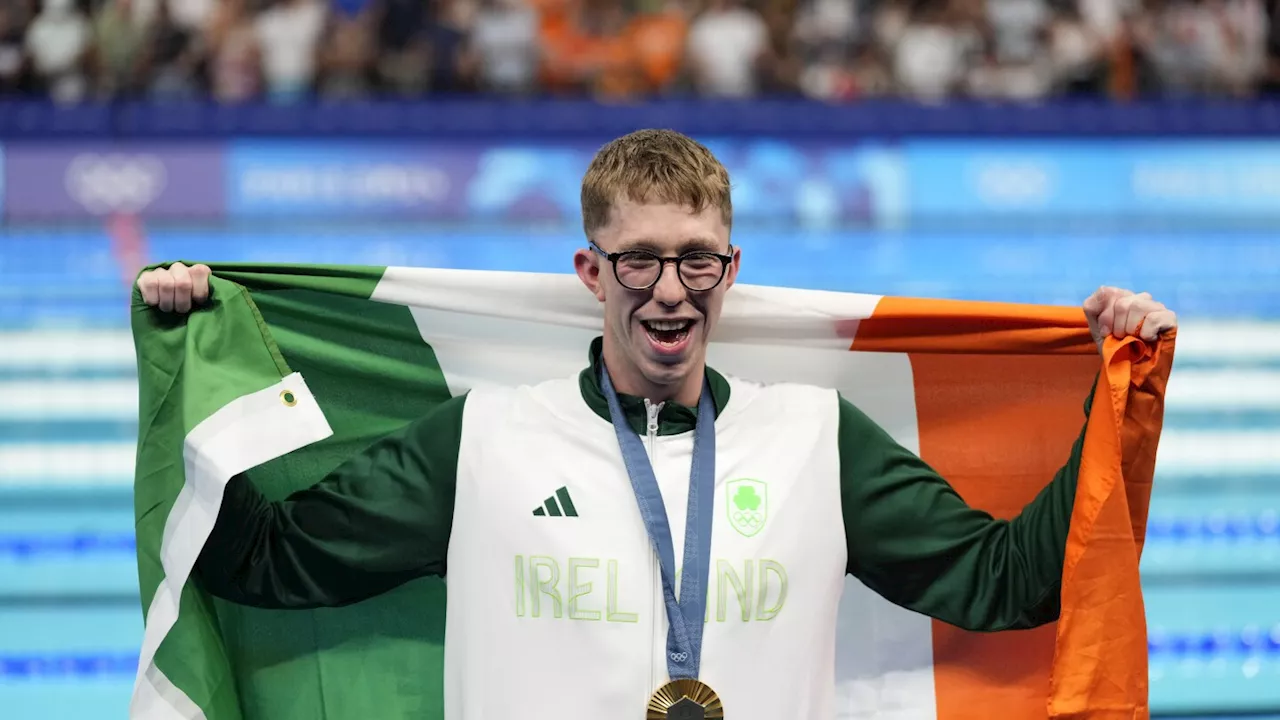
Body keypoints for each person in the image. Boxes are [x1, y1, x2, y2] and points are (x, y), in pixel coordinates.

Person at [136, 129, 1176, 720]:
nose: (668, 290)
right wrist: (192, 360)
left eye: (695, 258)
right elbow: (264, 563)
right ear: (591, 272)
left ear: (730, 271)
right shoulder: (484, 436)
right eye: (637, 258)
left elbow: (1008, 582)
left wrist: (1116, 401)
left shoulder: (817, 437)